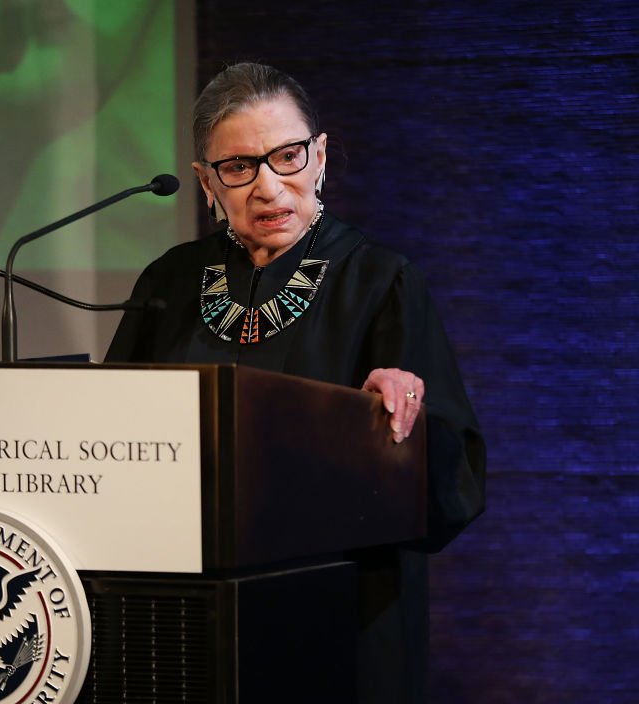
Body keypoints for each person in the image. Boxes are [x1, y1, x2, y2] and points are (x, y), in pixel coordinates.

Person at [106, 62, 486, 703]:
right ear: (206, 182)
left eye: (287, 156)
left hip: (343, 617)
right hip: (191, 616)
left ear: (321, 156)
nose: (267, 186)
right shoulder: (169, 285)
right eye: (238, 167)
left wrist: (407, 423)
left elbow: (456, 481)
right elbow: (112, 436)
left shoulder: (381, 281)